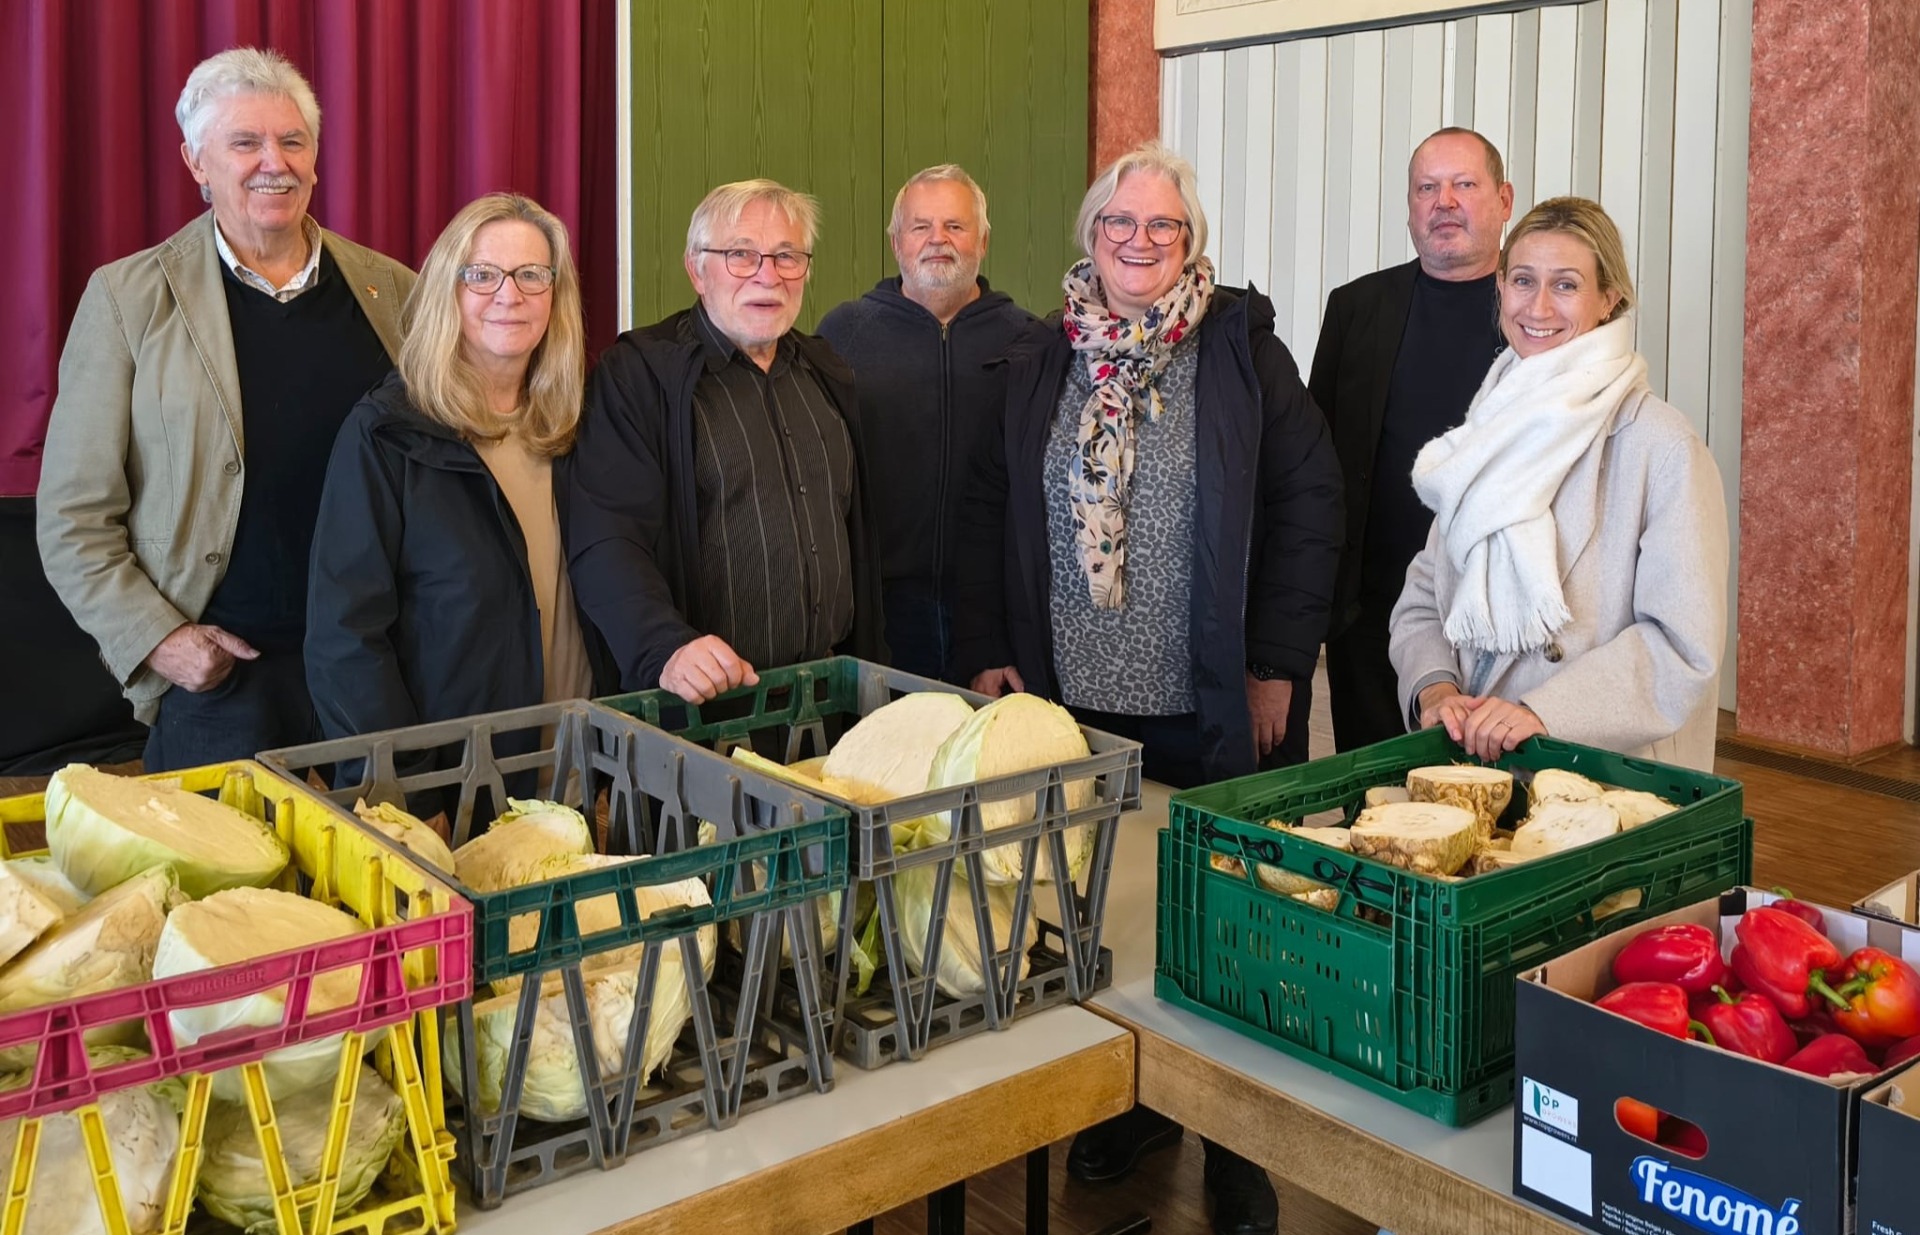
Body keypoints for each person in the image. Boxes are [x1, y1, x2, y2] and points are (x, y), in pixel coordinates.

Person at [950, 141, 1343, 1235]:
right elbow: (986, 507)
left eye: (1162, 225)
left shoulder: (1241, 350)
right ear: (1092, 234)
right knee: (1096, 920)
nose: (1138, 241)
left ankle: (1236, 1144)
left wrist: (1278, 661)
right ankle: (1132, 1106)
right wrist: (987, 643)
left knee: (1229, 925)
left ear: (1190, 241)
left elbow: (1311, 503)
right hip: (1070, 701)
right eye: (1119, 223)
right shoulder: (1040, 355)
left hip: (1208, 696)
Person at [36, 47, 414, 771]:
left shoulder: (397, 291)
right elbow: (73, 517)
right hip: (222, 682)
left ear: (315, 159)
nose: (274, 162)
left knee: (380, 847)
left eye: (292, 141)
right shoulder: (127, 299)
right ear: (196, 163)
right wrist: (159, 640)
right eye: (245, 143)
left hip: (377, 673)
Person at [1390, 196, 1728, 771]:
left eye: (1566, 285)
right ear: (1500, 288)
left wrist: (1543, 712)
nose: (1539, 306)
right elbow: (1426, 594)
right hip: (1474, 761)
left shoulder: (1662, 445)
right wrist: (1437, 688)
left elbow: (1680, 644)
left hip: (1603, 779)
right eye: (1524, 280)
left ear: (1608, 299)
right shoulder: (1487, 428)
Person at [563, 179, 884, 703]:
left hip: (827, 701)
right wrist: (664, 647)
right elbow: (606, 538)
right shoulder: (639, 375)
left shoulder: (828, 372)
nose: (768, 276)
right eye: (741, 255)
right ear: (697, 270)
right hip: (702, 710)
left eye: (787, 256)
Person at [305, 193, 599, 741]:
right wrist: (404, 778)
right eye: (482, 275)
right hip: (455, 774)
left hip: (583, 760)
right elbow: (345, 639)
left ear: (555, 295)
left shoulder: (583, 422)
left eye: (531, 275)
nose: (509, 295)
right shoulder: (386, 433)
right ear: (448, 290)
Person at [1309, 128, 1514, 751]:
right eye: (1427, 188)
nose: (1444, 202)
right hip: (1371, 616)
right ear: (1409, 207)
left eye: (1464, 184)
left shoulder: (1537, 313)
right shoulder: (1356, 309)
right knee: (1372, 789)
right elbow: (1317, 461)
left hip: (1501, 617)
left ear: (1504, 200)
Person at [817, 165, 1043, 681]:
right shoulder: (842, 335)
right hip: (875, 616)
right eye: (921, 226)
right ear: (896, 242)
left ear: (982, 241)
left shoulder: (1030, 343)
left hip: (994, 617)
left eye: (955, 226)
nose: (937, 239)